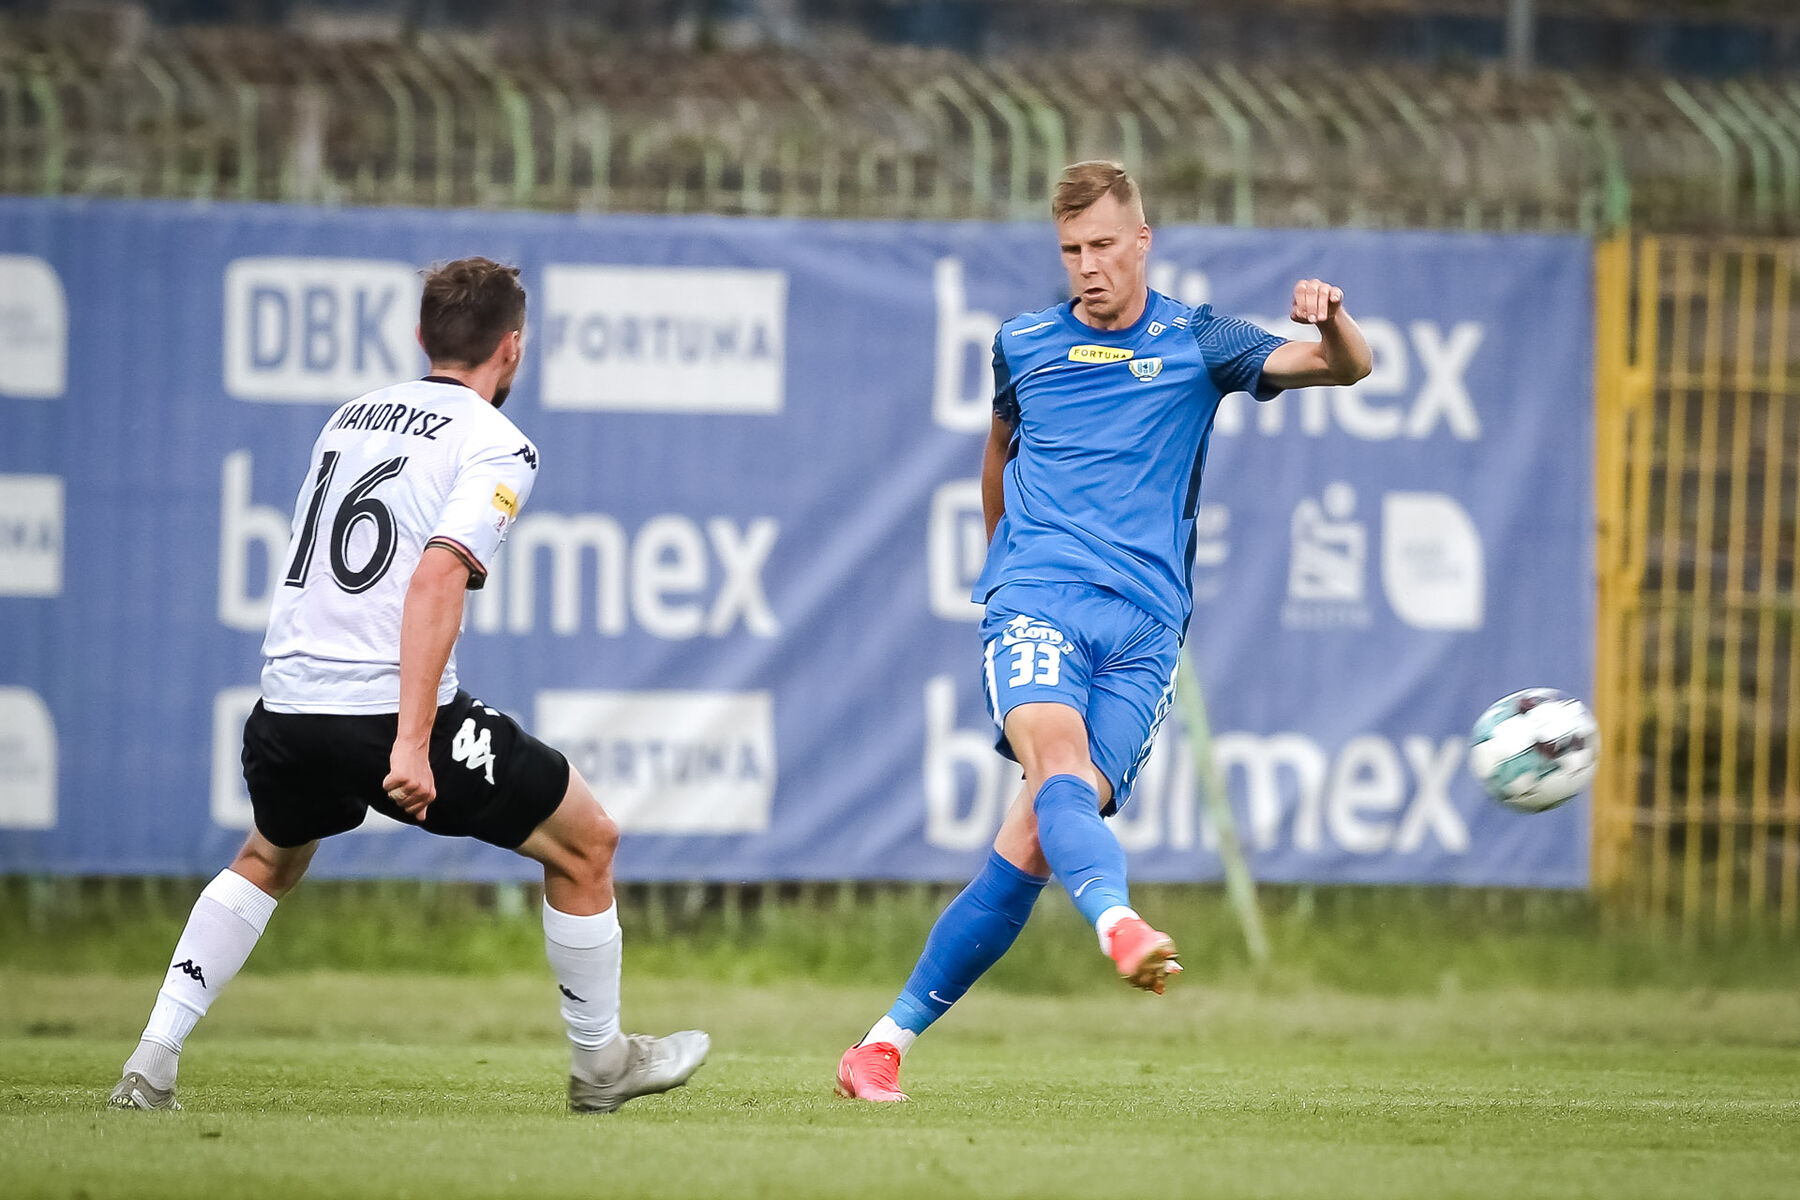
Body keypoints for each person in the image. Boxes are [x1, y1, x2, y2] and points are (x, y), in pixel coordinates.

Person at [108, 258, 708, 1114]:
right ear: (513, 347)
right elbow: (433, 580)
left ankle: (150, 1061)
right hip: (380, 711)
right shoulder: (497, 440)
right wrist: (410, 741)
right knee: (589, 843)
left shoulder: (350, 417)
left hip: (287, 704)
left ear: (423, 337)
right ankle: (600, 1063)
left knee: (269, 857)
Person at [837, 162, 1372, 1101]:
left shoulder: (1199, 338)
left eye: (1101, 248)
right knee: (1056, 759)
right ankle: (1118, 923)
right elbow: (998, 451)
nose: (1086, 267)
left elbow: (1343, 366)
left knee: (1045, 829)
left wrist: (1329, 318)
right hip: (1038, 596)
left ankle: (879, 1046)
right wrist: (1011, 564)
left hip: (1148, 628)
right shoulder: (1024, 343)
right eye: (1070, 251)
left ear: (1141, 243)